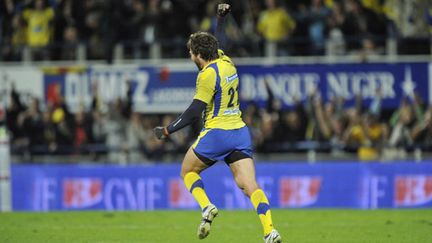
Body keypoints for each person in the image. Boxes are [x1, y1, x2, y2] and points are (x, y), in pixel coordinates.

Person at [153, 3, 282, 243]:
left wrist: (167, 130)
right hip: (240, 132)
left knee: (187, 171)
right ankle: (269, 231)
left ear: (199, 56)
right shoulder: (225, 61)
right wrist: (220, 20)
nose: (191, 56)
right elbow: (217, 42)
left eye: (191, 52)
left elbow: (194, 112)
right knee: (249, 185)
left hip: (217, 133)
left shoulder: (207, 75)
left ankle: (206, 206)